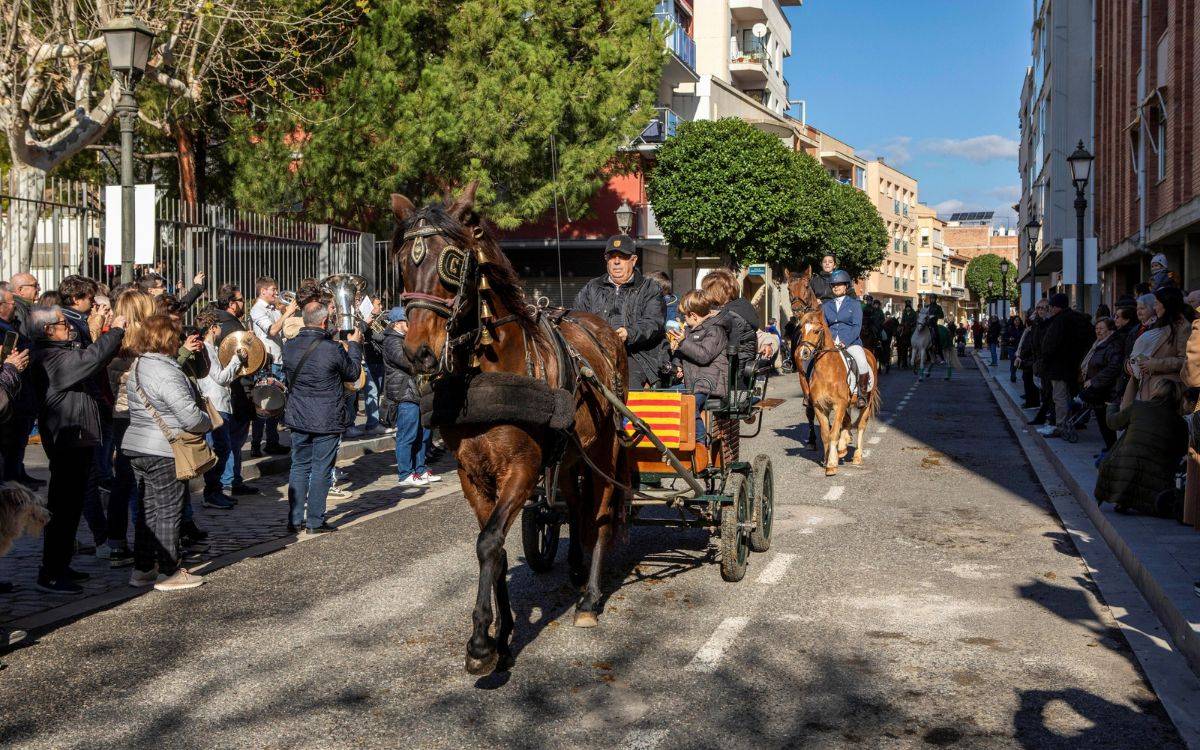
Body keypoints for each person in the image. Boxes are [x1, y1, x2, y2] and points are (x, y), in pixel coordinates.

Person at [29, 305, 126, 594]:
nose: (68, 327)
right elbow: (91, 359)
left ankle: (60, 564)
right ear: (49, 331)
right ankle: (51, 571)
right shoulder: (50, 357)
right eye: (62, 324)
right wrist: (115, 331)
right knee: (63, 508)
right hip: (67, 439)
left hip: (78, 437)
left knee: (69, 508)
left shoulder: (59, 351)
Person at [122, 314, 212, 592]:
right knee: (168, 510)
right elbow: (188, 416)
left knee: (147, 510)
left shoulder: (139, 365)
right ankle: (170, 571)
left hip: (137, 444)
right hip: (164, 447)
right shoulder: (166, 371)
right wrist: (207, 421)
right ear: (167, 338)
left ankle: (143, 568)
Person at [282, 302, 363, 534]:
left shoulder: (289, 346)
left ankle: (295, 520)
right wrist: (355, 346)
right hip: (326, 417)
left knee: (299, 466)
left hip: (298, 415)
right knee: (321, 469)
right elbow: (353, 373)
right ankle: (315, 522)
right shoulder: (332, 348)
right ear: (324, 322)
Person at [572, 234, 667, 389]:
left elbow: (654, 322)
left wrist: (628, 333)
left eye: (622, 256)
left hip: (636, 355)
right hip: (595, 352)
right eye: (612, 257)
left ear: (633, 260)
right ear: (606, 259)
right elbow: (576, 317)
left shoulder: (650, 288)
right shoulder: (592, 287)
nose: (616, 262)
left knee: (625, 387)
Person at [1095, 379, 1187, 515]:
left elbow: (1113, 423)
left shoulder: (1138, 407)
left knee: (1129, 444)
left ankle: (1123, 499)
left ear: (1156, 391)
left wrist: (1111, 407)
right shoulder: (1180, 422)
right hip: (1157, 477)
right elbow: (1181, 451)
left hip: (1121, 468)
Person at [376, 307, 436, 487]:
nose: (410, 326)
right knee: (407, 436)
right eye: (407, 322)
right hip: (404, 393)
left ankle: (420, 469)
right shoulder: (392, 341)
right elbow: (407, 362)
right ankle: (405, 473)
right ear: (397, 324)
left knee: (421, 434)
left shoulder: (405, 339)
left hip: (415, 392)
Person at [195, 309, 247, 510]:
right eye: (218, 327)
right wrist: (237, 360)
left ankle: (215, 491)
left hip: (220, 403)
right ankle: (211, 492)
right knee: (219, 448)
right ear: (213, 328)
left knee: (222, 447)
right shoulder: (207, 349)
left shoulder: (210, 348)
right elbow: (221, 377)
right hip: (216, 405)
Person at [210, 284, 258, 497]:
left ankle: (233, 479)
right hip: (235, 387)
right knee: (233, 439)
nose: (243, 303)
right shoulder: (230, 326)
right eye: (240, 299)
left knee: (233, 439)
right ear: (231, 304)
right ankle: (229, 481)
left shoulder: (221, 321)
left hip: (232, 389)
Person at [669, 290, 728, 444]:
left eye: (685, 316)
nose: (683, 319)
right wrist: (677, 365)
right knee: (663, 398)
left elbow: (703, 356)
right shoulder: (689, 330)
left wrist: (683, 342)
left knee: (689, 404)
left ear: (694, 316)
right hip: (692, 383)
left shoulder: (715, 330)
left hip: (709, 383)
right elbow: (681, 355)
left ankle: (700, 442)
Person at [1121, 286, 1194, 407]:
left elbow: (1185, 361)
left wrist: (1154, 364)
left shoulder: (1183, 327)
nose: (1154, 308)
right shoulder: (1160, 323)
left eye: (1156, 304)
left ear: (1166, 304)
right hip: (1148, 386)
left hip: (1167, 391)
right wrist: (1128, 364)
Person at [1039, 293, 1095, 440]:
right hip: (1075, 365)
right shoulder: (1078, 319)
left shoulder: (1059, 321)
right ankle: (1071, 422)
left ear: (1056, 307)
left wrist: (1044, 360)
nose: (1049, 309)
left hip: (1059, 367)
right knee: (1069, 396)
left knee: (1060, 397)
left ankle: (1062, 426)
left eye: (1050, 306)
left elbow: (1050, 345)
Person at [248, 276, 293, 457]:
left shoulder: (274, 309)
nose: (276, 292)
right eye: (273, 290)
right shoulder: (257, 310)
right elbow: (272, 330)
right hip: (266, 362)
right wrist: (287, 313)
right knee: (262, 405)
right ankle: (256, 444)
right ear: (262, 291)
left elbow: (282, 331)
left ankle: (272, 442)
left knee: (276, 404)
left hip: (279, 360)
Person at [0, 288, 39, 488]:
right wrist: (10, 367)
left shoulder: (12, 325)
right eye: (11, 303)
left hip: (19, 394)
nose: (15, 305)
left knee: (17, 445)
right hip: (10, 398)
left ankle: (16, 475)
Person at [822, 270, 871, 408]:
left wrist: (845, 342)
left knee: (861, 361)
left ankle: (862, 395)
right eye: (833, 285)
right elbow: (824, 326)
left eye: (839, 284)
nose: (836, 287)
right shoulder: (826, 306)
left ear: (846, 286)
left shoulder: (854, 304)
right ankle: (811, 393)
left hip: (850, 342)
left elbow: (857, 326)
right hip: (830, 343)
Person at [1079, 318, 1124, 451]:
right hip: (1098, 388)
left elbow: (1113, 368)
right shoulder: (1098, 344)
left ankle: (1111, 449)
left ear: (1110, 331)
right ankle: (1109, 448)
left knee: (1106, 422)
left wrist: (1093, 381)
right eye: (1097, 328)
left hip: (1106, 390)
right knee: (1101, 421)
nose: (1098, 331)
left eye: (1101, 328)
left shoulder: (1113, 345)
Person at [1014, 307, 1041, 408]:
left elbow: (1030, 346)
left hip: (1030, 360)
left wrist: (1023, 356)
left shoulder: (1033, 330)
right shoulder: (1028, 330)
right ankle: (1030, 401)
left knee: (1030, 382)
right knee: (1027, 380)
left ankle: (1032, 402)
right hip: (1027, 360)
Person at [917, 293, 944, 361]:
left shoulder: (938, 307)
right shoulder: (927, 306)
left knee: (937, 336)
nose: (932, 299)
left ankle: (939, 351)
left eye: (933, 298)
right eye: (931, 298)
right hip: (926, 324)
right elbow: (923, 314)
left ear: (935, 299)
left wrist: (935, 316)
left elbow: (942, 316)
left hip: (933, 324)